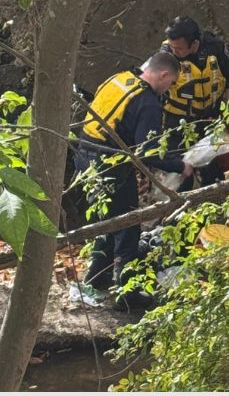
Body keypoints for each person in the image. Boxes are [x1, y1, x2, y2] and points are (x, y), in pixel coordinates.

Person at [77, 51, 187, 309]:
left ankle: (96, 279)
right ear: (163, 75)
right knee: (127, 229)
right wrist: (181, 165)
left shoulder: (119, 79)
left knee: (106, 223)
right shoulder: (147, 102)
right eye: (170, 83)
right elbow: (148, 152)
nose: (168, 90)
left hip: (84, 160)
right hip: (110, 167)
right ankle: (126, 296)